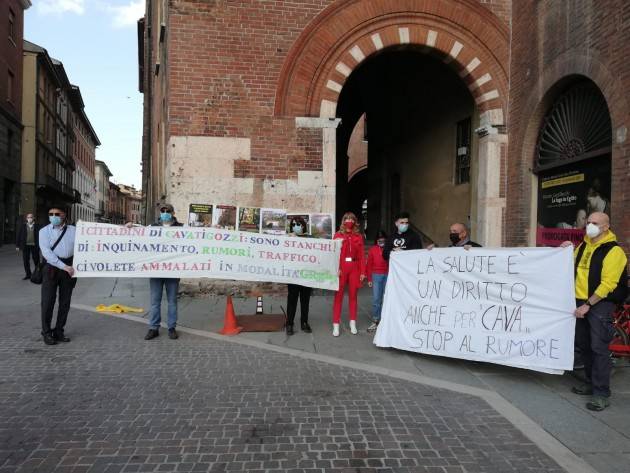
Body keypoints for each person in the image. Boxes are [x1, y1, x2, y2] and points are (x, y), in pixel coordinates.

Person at [561, 212, 627, 411]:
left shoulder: (614, 251)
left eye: (595, 223)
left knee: (599, 348)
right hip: (581, 301)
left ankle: (601, 393)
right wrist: (565, 251)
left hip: (599, 303)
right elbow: (572, 267)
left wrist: (588, 304)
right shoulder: (583, 245)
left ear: (606, 227)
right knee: (585, 345)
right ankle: (590, 383)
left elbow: (608, 284)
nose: (590, 225)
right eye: (588, 222)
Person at [145, 204, 183, 341]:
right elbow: (138, 235)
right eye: (163, 211)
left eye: (168, 211)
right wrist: (129, 228)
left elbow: (199, 234)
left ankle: (171, 328)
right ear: (160, 213)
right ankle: (153, 328)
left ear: (173, 213)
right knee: (155, 301)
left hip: (173, 271)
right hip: (155, 271)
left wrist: (214, 229)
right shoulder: (152, 227)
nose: (165, 213)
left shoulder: (181, 228)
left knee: (172, 301)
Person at [39, 206, 76, 345]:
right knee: (48, 301)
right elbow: (46, 253)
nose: (53, 216)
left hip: (69, 268)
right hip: (52, 268)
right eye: (50, 214)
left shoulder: (74, 230)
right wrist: (64, 266)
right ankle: (46, 332)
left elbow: (94, 237)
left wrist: (124, 229)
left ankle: (59, 330)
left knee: (65, 302)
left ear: (64, 215)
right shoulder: (44, 231)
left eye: (57, 214)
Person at [332, 212, 366, 336]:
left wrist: (363, 271)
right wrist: (336, 268)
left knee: (353, 296)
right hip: (342, 268)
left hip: (354, 268)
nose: (349, 221)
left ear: (355, 221)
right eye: (347, 218)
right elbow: (333, 254)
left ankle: (353, 323)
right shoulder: (338, 235)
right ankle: (335, 324)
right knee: (338, 297)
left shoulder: (358, 236)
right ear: (343, 220)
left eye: (352, 219)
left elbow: (362, 255)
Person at [285, 217, 312, 335]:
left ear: (303, 226)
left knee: (305, 300)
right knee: (292, 299)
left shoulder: (310, 239)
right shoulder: (288, 239)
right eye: (295, 224)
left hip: (307, 274)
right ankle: (289, 323)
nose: (297, 226)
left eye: (299, 224)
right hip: (293, 275)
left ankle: (304, 322)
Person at [366, 230, 388, 333]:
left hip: (388, 275)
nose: (381, 242)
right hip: (376, 276)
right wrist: (369, 279)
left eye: (383, 240)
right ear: (376, 241)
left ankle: (385, 320)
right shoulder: (372, 250)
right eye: (379, 240)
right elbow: (369, 265)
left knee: (387, 298)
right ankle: (375, 320)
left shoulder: (389, 249)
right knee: (376, 299)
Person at [16, 213, 41, 280]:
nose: (29, 218)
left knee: (36, 260)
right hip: (25, 246)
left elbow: (41, 236)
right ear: (26, 218)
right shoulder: (23, 226)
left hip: (34, 245)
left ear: (33, 218)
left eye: (31, 217)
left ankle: (38, 273)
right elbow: (18, 235)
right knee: (25, 260)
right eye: (28, 217)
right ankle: (28, 274)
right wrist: (17, 245)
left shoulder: (38, 226)